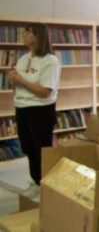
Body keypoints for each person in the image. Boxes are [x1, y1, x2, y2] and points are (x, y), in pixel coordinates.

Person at [8, 23, 61, 198]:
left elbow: (45, 92)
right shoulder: (23, 58)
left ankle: (43, 183)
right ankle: (36, 179)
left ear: (38, 36)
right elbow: (18, 88)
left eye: (28, 33)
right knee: (28, 148)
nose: (24, 35)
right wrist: (13, 82)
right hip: (22, 108)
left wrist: (21, 81)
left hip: (41, 111)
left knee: (41, 150)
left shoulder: (50, 61)